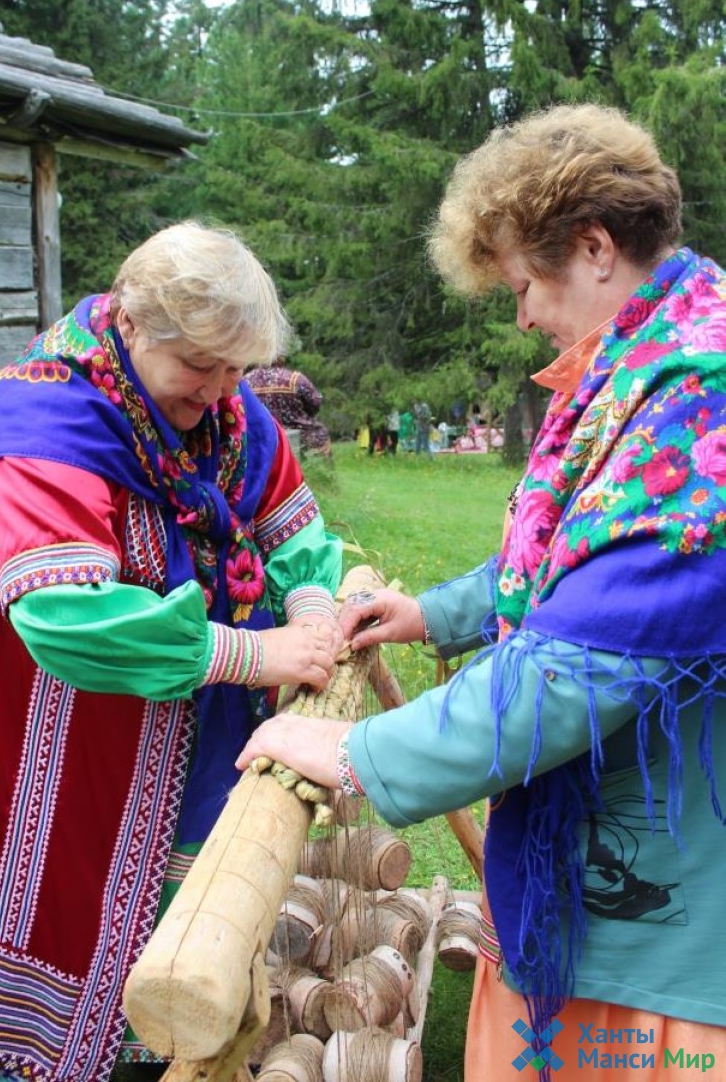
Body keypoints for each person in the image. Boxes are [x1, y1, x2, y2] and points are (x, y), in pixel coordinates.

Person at [238, 105, 726, 1079]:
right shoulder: (636, 369)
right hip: (590, 864)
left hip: (659, 935)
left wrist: (353, 748)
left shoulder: (698, 408)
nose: (522, 315)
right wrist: (437, 613)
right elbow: (571, 562)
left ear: (592, 247)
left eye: (524, 283)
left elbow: (574, 670)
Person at [0, 221, 344, 1082]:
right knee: (61, 883)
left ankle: (166, 1028)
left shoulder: (215, 396)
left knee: (182, 868)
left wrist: (314, 606)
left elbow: (288, 508)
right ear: (134, 325)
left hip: (185, 695)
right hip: (53, 711)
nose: (221, 392)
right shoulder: (39, 421)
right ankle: (41, 1045)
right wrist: (263, 658)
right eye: (201, 368)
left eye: (235, 371)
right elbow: (72, 621)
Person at [244, 358, 331, 456]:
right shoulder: (294, 379)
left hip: (259, 435)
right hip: (302, 434)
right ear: (281, 358)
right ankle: (322, 468)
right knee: (320, 434)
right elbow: (315, 403)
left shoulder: (245, 381)